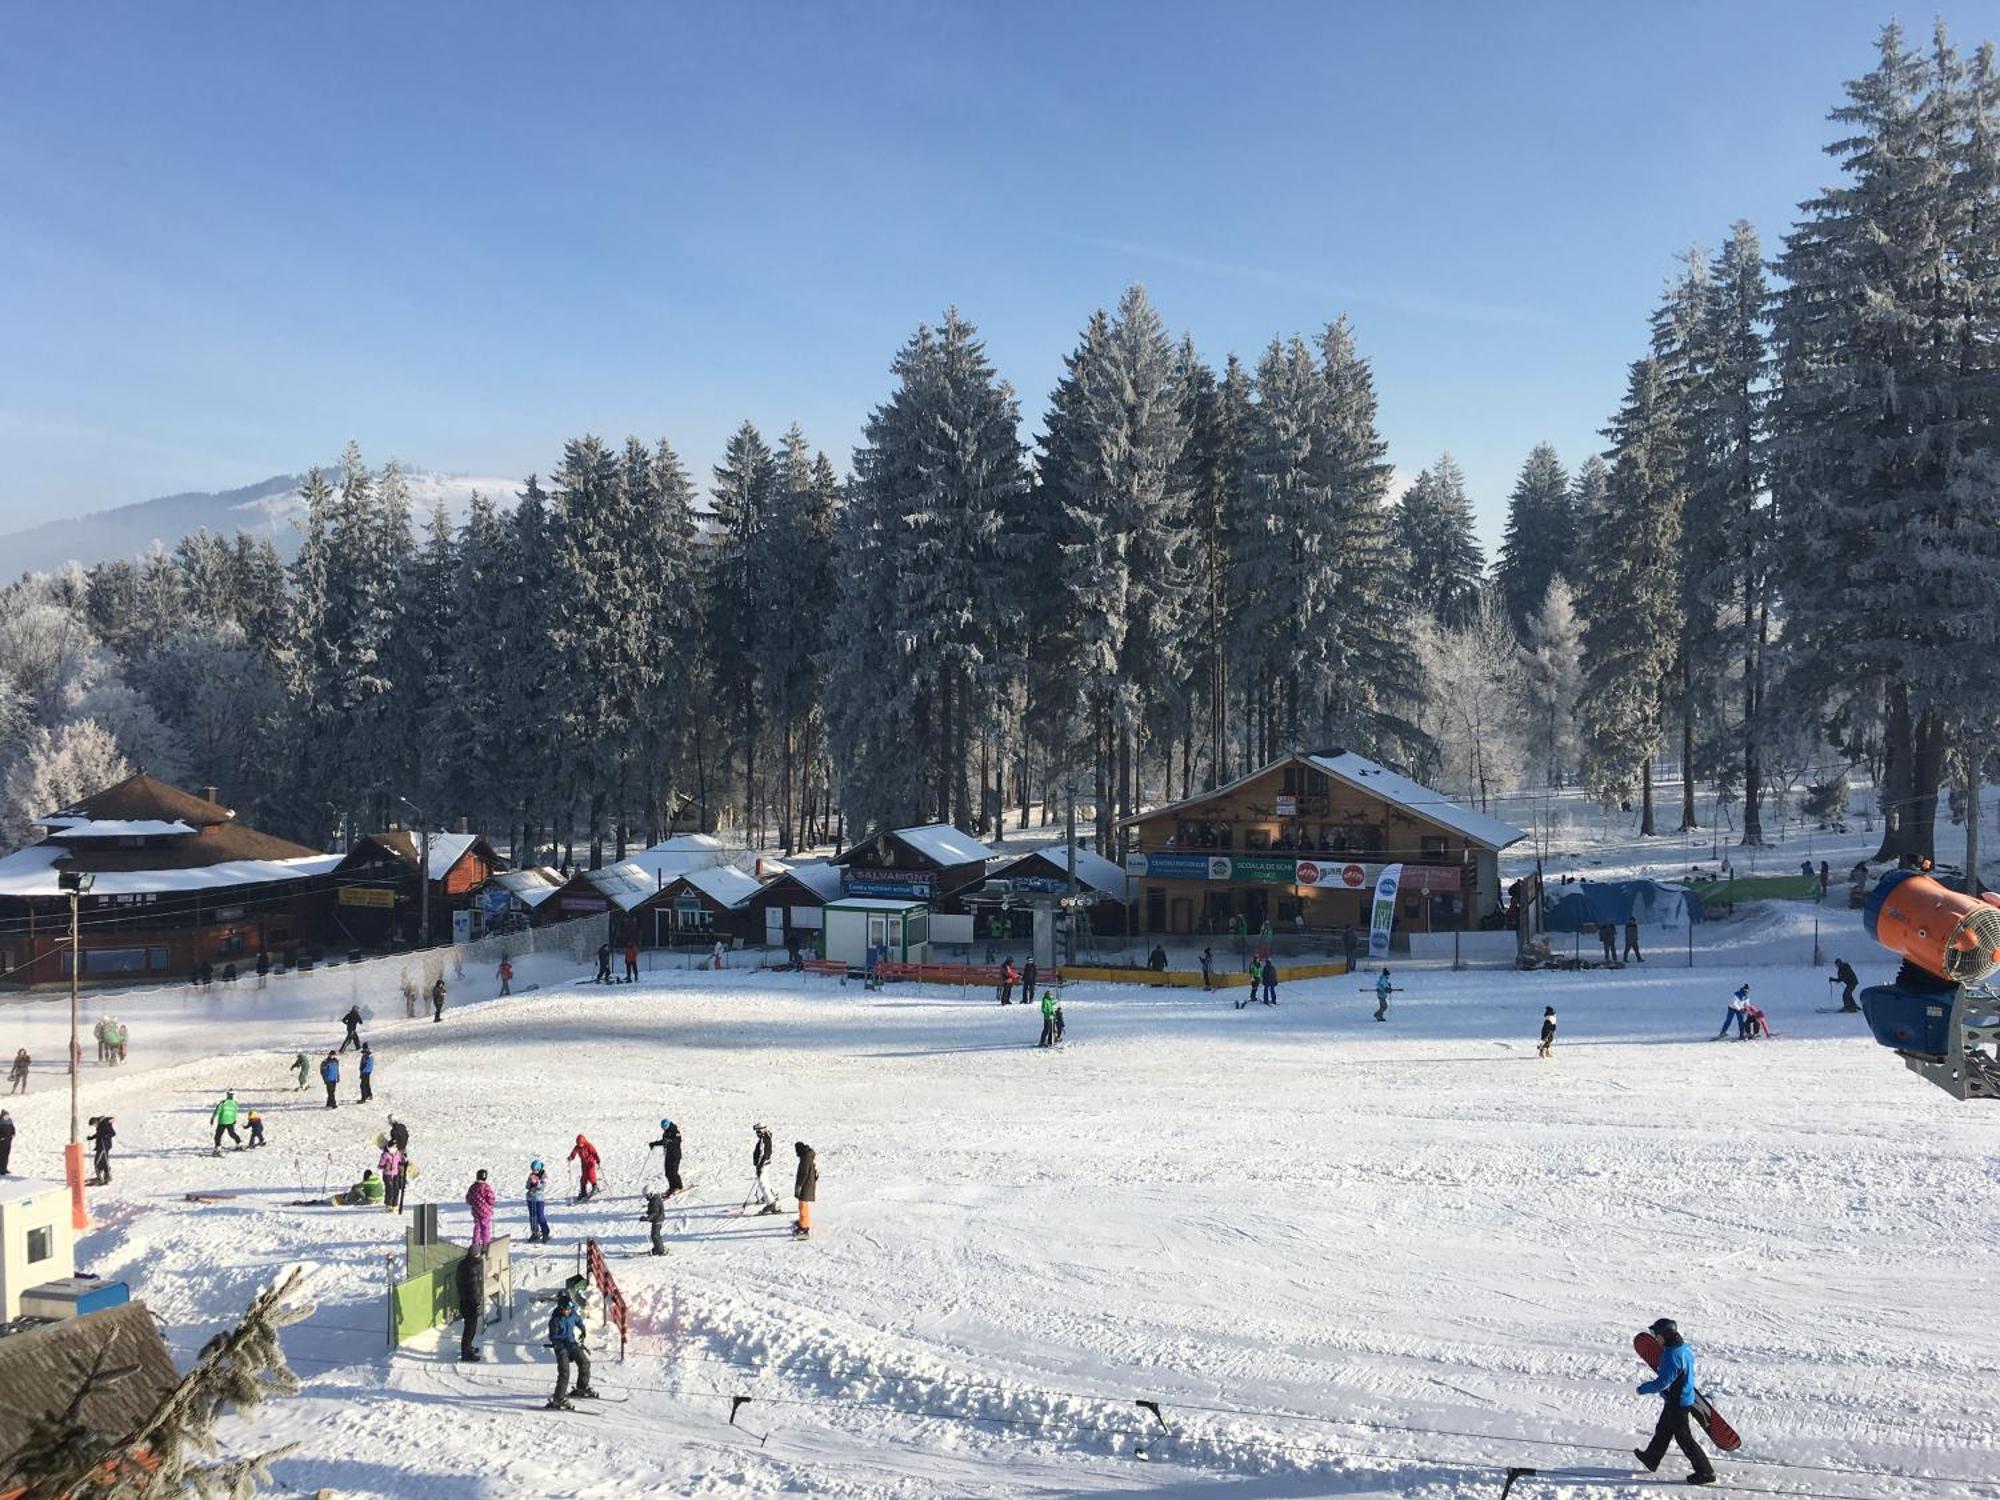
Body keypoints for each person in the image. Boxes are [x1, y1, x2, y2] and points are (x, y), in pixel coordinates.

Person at [1633, 1317, 1717, 1485]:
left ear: (1666, 1335)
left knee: (1684, 1438)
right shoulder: (1683, 1348)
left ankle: (1705, 1472)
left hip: (1678, 1402)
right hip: (1682, 1396)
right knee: (1663, 1429)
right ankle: (1651, 1457)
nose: (1655, 1338)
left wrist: (1643, 1388)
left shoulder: (1672, 1355)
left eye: (1657, 1335)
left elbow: (1662, 1383)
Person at [545, 1290, 597, 1409]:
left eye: (570, 1309)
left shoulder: (572, 1314)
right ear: (561, 1308)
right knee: (564, 1373)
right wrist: (559, 1347)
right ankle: (558, 1399)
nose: (569, 1311)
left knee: (585, 1363)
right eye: (566, 1310)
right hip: (561, 1347)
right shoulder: (555, 1320)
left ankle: (581, 1388)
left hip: (572, 1344)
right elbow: (553, 1337)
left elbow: (578, 1321)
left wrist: (583, 1330)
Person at [456, 1247, 485, 1361]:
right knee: (470, 1329)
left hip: (464, 1300)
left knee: (469, 1327)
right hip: (470, 1302)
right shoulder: (472, 1268)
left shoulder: (463, 1264)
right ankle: (466, 1353)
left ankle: (468, 1347)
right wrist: (477, 1301)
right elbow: (474, 1288)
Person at [749, 1123, 780, 1214]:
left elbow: (763, 1154)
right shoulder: (767, 1137)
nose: (757, 1133)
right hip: (766, 1164)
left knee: (763, 1183)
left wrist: (759, 1166)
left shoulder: (764, 1139)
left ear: (762, 1131)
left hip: (763, 1164)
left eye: (758, 1131)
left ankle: (771, 1203)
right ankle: (770, 1195)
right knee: (765, 1181)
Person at [650, 1119, 684, 1196]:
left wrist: (670, 1141)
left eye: (664, 1127)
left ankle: (677, 1186)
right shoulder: (666, 1132)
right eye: (662, 1127)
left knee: (673, 1172)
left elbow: (677, 1141)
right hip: (668, 1155)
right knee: (667, 1173)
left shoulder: (676, 1132)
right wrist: (655, 1143)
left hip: (675, 1155)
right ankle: (672, 1187)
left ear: (668, 1125)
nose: (663, 1129)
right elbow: (664, 1141)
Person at [466, 1168, 497, 1250]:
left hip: (476, 1211)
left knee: (477, 1226)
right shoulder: (486, 1187)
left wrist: (473, 1203)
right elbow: (491, 1199)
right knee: (485, 1227)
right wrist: (492, 1203)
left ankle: (475, 1243)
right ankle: (486, 1244)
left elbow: (468, 1198)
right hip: (485, 1211)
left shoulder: (473, 1187)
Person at [793, 1140, 817, 1240]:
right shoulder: (807, 1156)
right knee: (802, 1204)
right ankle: (802, 1222)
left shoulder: (805, 1159)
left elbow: (803, 1174)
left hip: (805, 1185)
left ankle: (804, 1227)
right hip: (808, 1183)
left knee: (803, 1205)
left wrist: (799, 1186)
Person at [568, 1133, 601, 1200]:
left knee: (591, 1175)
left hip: (590, 1162)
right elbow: (573, 1153)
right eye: (578, 1144)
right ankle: (583, 1191)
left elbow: (594, 1153)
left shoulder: (589, 1146)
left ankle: (595, 1186)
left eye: (581, 1144)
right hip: (583, 1163)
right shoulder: (577, 1147)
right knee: (584, 1177)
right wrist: (571, 1157)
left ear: (584, 1141)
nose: (580, 1146)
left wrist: (597, 1159)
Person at [525, 1160, 551, 1241]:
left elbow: (542, 1187)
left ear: (539, 1168)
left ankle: (545, 1231)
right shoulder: (531, 1175)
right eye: (532, 1169)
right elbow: (527, 1186)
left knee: (540, 1216)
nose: (534, 1171)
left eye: (535, 1169)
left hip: (539, 1199)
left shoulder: (544, 1175)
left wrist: (537, 1182)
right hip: (530, 1198)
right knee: (532, 1217)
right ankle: (535, 1233)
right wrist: (530, 1183)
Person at [89, 1114, 115, 1184]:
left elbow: (113, 1133)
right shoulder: (100, 1125)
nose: (94, 1126)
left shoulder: (105, 1124)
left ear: (96, 1122)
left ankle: (100, 1178)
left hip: (104, 1146)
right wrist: (92, 1137)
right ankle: (106, 1177)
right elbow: (99, 1134)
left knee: (97, 1161)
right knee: (103, 1161)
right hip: (101, 1146)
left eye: (94, 1125)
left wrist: (106, 1136)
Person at [379, 1141, 405, 1212]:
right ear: (390, 1146)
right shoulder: (385, 1154)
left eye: (396, 1146)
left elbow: (400, 1161)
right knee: (390, 1189)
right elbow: (380, 1165)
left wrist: (403, 1161)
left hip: (395, 1174)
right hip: (387, 1174)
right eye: (393, 1146)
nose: (395, 1147)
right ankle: (388, 1205)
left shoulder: (398, 1153)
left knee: (396, 1189)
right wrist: (385, 1165)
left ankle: (395, 1205)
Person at [644, 1188, 668, 1255]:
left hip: (658, 1219)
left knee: (655, 1235)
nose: (646, 1197)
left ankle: (660, 1251)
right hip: (658, 1218)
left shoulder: (654, 1201)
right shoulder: (655, 1199)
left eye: (647, 1195)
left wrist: (647, 1218)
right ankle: (657, 1248)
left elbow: (655, 1213)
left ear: (651, 1193)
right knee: (655, 1235)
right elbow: (654, 1210)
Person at [0, 1108, 12, 1174]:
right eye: (5, 1116)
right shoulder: (0, 1122)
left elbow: (12, 1128)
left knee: (6, 1155)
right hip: (2, 1142)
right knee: (1, 1155)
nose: (7, 1117)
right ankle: (1, 1169)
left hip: (8, 1141)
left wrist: (13, 1133)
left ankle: (4, 1168)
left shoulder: (10, 1121)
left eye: (8, 1115)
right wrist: (1, 1137)